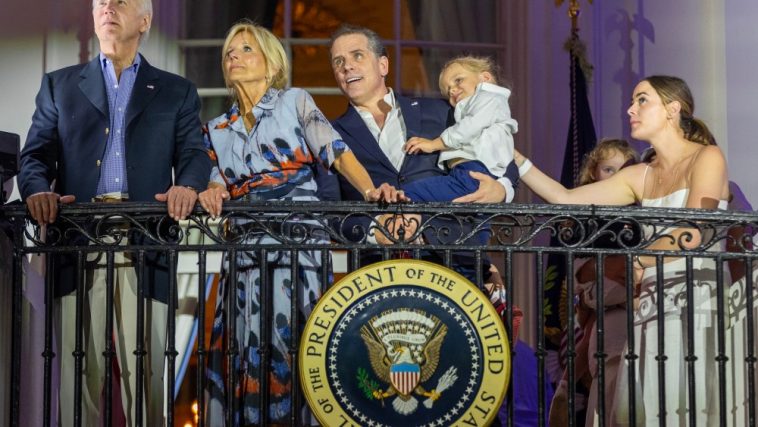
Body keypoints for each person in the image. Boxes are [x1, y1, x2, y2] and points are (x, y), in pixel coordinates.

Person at [197, 20, 401, 426]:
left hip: (298, 252)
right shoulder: (216, 130)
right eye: (229, 53)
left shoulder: (295, 102)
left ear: (271, 64)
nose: (233, 56)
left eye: (246, 49)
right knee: (244, 350)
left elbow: (337, 152)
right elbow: (215, 181)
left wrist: (370, 190)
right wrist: (210, 191)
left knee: (298, 347)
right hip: (244, 263)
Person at [17, 0, 211, 425]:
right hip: (75, 241)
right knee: (76, 370)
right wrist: (35, 191)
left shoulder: (177, 90)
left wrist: (189, 185)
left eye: (121, 0)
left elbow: (195, 155)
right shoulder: (58, 85)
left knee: (147, 374)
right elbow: (34, 158)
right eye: (101, 1)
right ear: (93, 16)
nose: (108, 6)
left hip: (148, 240)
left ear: (144, 21)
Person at [514, 75, 730, 425]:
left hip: (696, 303)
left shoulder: (707, 157)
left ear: (673, 109)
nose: (630, 108)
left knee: (685, 403)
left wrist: (637, 259)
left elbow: (694, 231)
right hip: (649, 304)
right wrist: (513, 155)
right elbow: (564, 198)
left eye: (642, 100)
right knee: (640, 405)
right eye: (632, 101)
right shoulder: (640, 174)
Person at [328, 24, 514, 283]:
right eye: (339, 61)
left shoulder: (440, 112)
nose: (347, 66)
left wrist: (502, 188)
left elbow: (503, 149)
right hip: (376, 274)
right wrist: (375, 231)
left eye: (357, 55)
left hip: (452, 262)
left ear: (383, 66)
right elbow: (329, 212)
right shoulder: (330, 135)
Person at [547, 139, 639, 427]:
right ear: (594, 174)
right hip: (602, 312)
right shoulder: (586, 218)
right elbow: (580, 274)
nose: (616, 177)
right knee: (605, 393)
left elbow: (635, 270)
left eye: (624, 170)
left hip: (633, 310)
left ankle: (570, 384)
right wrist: (601, 278)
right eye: (608, 169)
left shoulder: (638, 215)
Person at [401, 55, 518, 203]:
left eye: (458, 80)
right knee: (478, 223)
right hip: (468, 173)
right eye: (447, 90)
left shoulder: (491, 98)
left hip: (474, 173)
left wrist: (433, 144)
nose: (452, 90)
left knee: (410, 193)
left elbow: (468, 128)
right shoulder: (481, 105)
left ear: (485, 77)